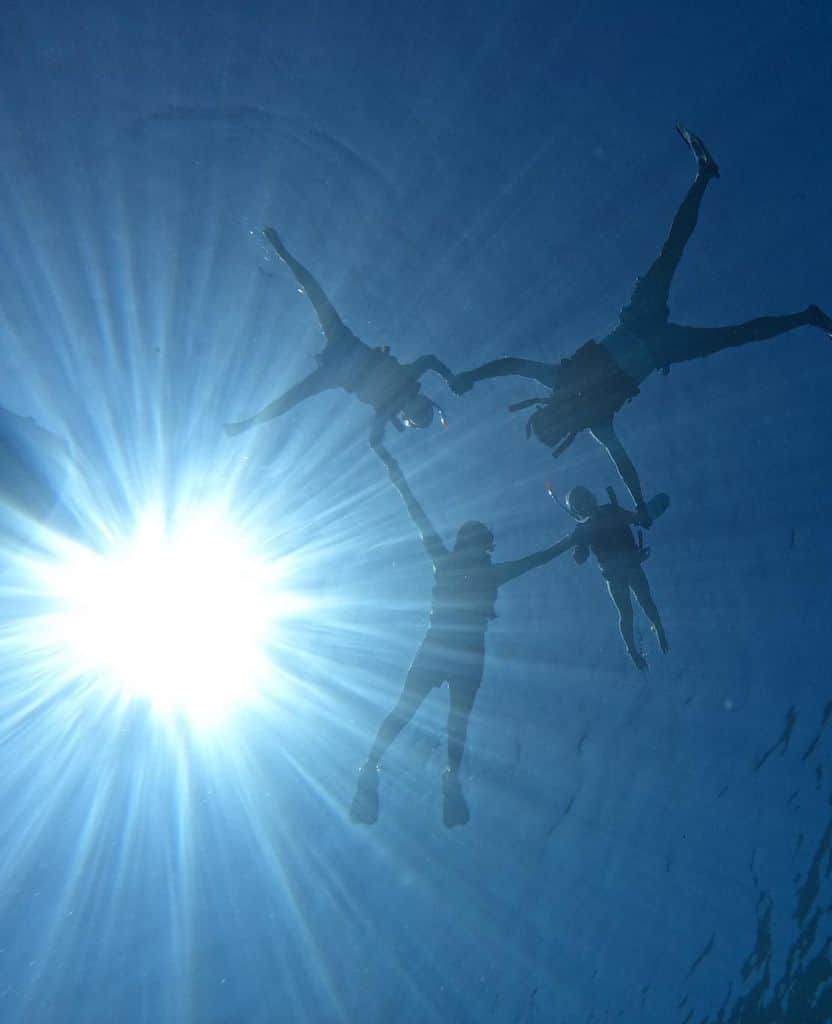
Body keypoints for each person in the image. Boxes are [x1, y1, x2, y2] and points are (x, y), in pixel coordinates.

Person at [451, 125, 832, 519]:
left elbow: (511, 367)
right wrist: (470, 376)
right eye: (554, 428)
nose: (557, 422)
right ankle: (805, 314)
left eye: (549, 424)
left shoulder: (570, 395)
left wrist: (471, 374)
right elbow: (620, 463)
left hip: (646, 332)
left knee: (705, 294)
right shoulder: (583, 409)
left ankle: (707, 181)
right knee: (698, 285)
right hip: (654, 338)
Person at [351, 442, 578, 828]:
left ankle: (380, 766)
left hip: (441, 644)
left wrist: (398, 477)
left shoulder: (448, 562)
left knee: (418, 712)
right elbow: (535, 559)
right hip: (464, 649)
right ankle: (439, 774)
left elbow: (417, 516)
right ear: (482, 545)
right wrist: (572, 538)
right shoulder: (481, 570)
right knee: (449, 720)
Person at [225, 228, 455, 444]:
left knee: (292, 397)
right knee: (317, 296)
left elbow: (428, 360)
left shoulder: (389, 407)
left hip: (338, 365)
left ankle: (248, 424)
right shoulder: (402, 385)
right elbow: (429, 360)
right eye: (419, 411)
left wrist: (449, 376)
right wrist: (449, 376)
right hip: (343, 352)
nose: (411, 408)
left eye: (414, 414)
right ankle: (283, 253)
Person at [561, 484, 670, 670]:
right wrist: (579, 550)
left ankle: (655, 629)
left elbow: (633, 518)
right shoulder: (586, 527)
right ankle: (635, 647)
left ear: (589, 498)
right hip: (620, 570)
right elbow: (581, 556)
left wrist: (643, 517)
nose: (584, 505)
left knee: (642, 603)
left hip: (624, 567)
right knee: (630, 611)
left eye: (583, 500)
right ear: (577, 510)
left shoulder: (604, 514)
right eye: (579, 504)